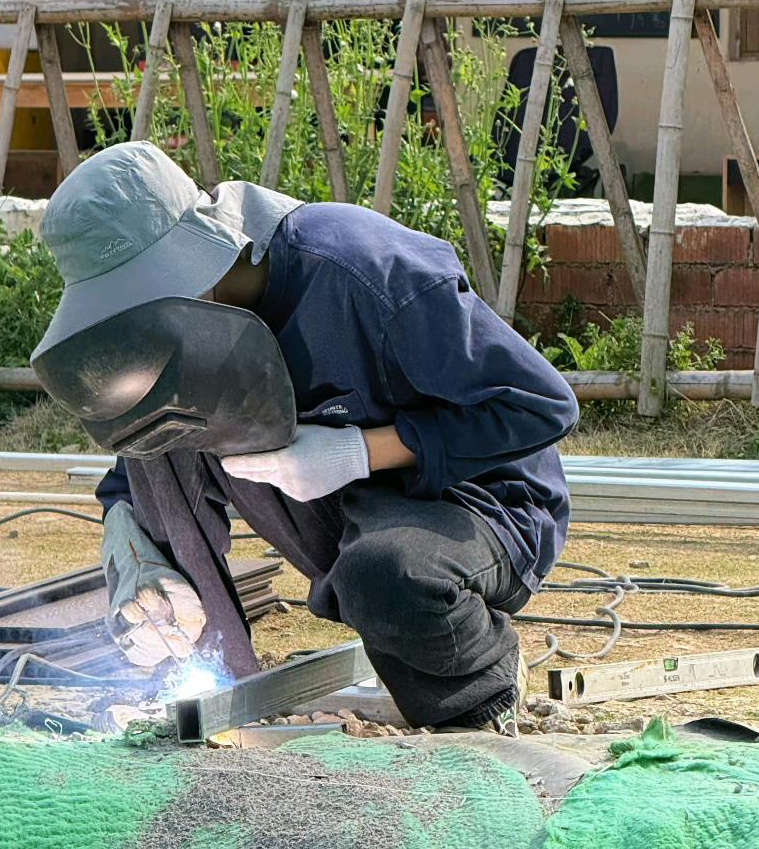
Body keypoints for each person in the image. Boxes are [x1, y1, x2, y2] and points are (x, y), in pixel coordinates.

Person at [31, 141, 579, 735]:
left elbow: (539, 407)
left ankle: (484, 686)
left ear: (194, 250)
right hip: (351, 506)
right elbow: (133, 474)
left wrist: (358, 452)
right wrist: (136, 555)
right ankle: (209, 681)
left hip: (480, 503)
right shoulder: (192, 324)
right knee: (158, 439)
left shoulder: (360, 268)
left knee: (387, 575)